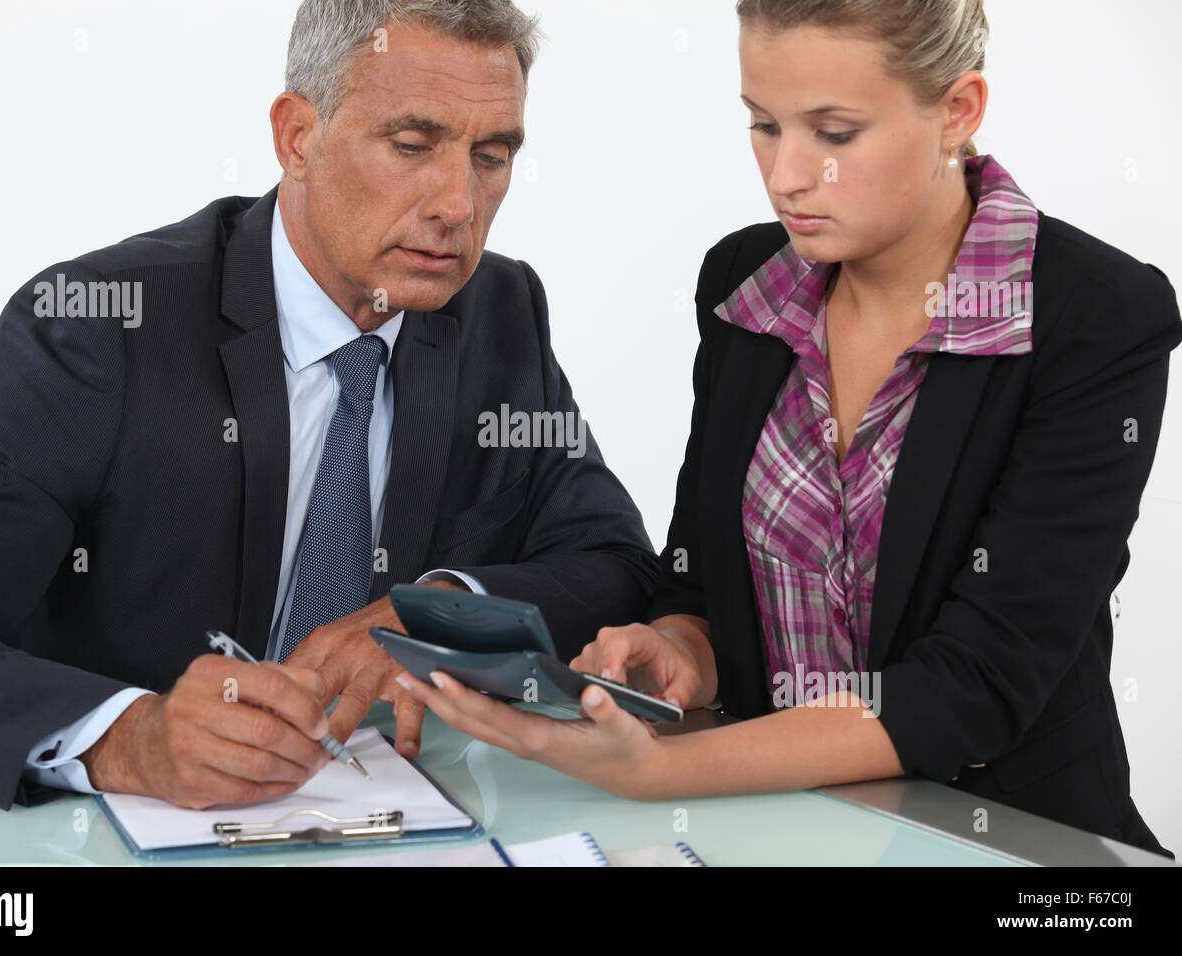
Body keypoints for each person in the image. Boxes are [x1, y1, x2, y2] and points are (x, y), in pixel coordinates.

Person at [398, 0, 1180, 858]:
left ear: (958, 111)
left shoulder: (1093, 318)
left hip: (1017, 850)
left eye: (834, 134)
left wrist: (664, 771)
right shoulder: (747, 282)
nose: (788, 176)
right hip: (776, 831)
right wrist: (677, 650)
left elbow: (981, 683)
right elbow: (697, 577)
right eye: (764, 125)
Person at [0, 0, 657, 811]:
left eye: (491, 156)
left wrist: (444, 614)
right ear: (297, 137)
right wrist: (126, 737)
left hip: (393, 821)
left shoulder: (500, 312)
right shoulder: (96, 325)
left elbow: (615, 565)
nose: (459, 204)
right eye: (411, 146)